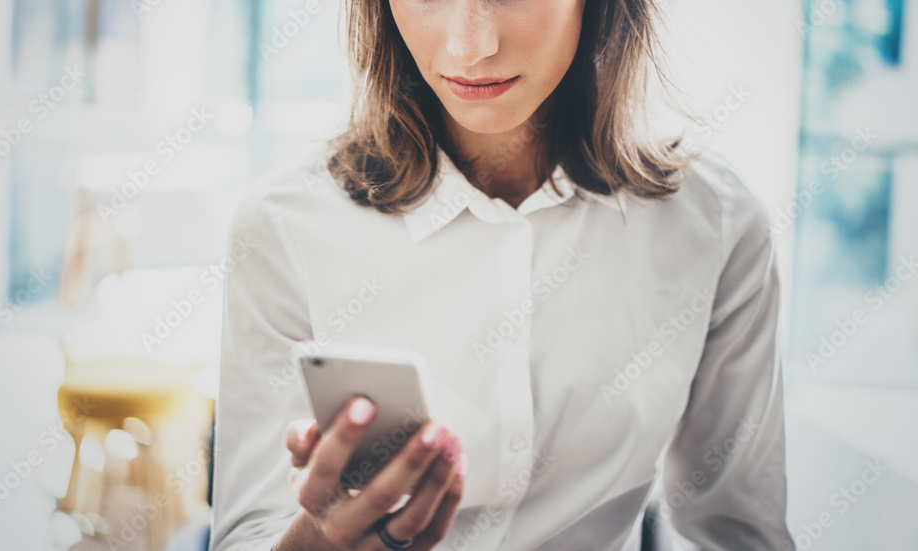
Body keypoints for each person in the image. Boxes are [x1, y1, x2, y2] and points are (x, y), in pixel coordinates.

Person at [210, 1, 797, 550]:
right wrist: (319, 537)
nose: (471, 47)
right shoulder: (283, 225)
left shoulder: (715, 222)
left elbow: (741, 531)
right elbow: (248, 533)